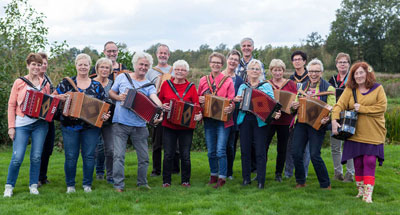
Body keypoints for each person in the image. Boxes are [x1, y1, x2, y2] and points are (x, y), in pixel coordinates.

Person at [53, 53, 110, 193]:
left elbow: (104, 105)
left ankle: (87, 185)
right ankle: (70, 186)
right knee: (71, 156)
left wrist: (105, 115)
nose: (83, 67)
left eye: (86, 65)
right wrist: (60, 97)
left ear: (89, 66)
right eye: (80, 64)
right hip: (69, 126)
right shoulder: (66, 83)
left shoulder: (97, 86)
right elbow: (53, 97)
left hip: (90, 127)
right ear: (76, 66)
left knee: (89, 155)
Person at [332, 62, 386, 203]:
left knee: (369, 161)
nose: (359, 76)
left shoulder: (378, 88)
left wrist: (362, 108)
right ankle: (360, 191)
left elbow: (382, 107)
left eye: (361, 72)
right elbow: (339, 105)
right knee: (358, 162)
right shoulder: (350, 89)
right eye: (356, 73)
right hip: (354, 132)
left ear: (367, 73)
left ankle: (368, 195)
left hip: (374, 132)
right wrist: (334, 119)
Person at [109, 52, 163, 192]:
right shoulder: (122, 77)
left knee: (144, 157)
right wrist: (119, 97)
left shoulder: (148, 84)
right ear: (135, 65)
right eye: (141, 64)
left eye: (146, 65)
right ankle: (118, 185)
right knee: (118, 156)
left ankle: (142, 183)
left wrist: (160, 108)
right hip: (120, 123)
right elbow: (111, 93)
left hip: (139, 125)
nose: (143, 67)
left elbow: (154, 97)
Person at [4, 53, 51, 197]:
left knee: (36, 156)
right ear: (28, 65)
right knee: (17, 157)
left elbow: (47, 104)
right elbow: (11, 104)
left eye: (39, 64)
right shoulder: (19, 82)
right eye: (33, 64)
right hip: (21, 124)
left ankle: (33, 185)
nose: (36, 67)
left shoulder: (45, 84)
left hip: (40, 125)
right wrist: (11, 127)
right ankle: (9, 186)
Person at [235, 59, 281, 189]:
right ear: (247, 72)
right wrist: (236, 100)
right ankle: (246, 179)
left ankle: (261, 180)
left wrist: (274, 112)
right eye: (252, 69)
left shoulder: (265, 86)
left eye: (257, 69)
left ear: (260, 72)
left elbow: (271, 103)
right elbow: (238, 104)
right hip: (245, 120)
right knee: (245, 150)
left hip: (260, 121)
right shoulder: (243, 87)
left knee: (260, 151)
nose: (254, 71)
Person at [291, 58, 334, 189]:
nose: (313, 74)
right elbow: (296, 103)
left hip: (317, 124)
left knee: (315, 154)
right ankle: (300, 181)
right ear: (308, 72)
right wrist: (294, 105)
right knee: (296, 153)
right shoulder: (303, 86)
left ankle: (325, 184)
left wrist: (328, 117)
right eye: (311, 71)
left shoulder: (328, 87)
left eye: (316, 71)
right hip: (302, 123)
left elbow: (333, 107)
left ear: (321, 72)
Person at [158, 60, 202, 187]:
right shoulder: (166, 84)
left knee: (185, 155)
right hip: (169, 124)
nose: (180, 72)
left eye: (182, 70)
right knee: (168, 154)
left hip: (186, 127)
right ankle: (166, 181)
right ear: (173, 71)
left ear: (187, 72)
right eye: (177, 69)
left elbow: (197, 105)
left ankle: (185, 180)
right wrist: (163, 107)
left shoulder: (191, 87)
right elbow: (160, 102)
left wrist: (199, 115)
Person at [198, 52, 235, 188]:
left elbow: (232, 100)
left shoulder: (228, 80)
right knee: (211, 151)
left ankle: (222, 177)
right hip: (209, 119)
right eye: (213, 62)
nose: (216, 65)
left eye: (218, 63)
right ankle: (213, 175)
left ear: (222, 65)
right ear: (210, 64)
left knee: (220, 150)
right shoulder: (203, 80)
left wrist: (230, 107)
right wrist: (200, 100)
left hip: (223, 120)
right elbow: (198, 98)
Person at [145, 44, 179, 177]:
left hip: (172, 108)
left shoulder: (174, 70)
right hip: (156, 108)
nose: (163, 55)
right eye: (161, 53)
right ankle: (156, 169)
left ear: (169, 55)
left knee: (174, 140)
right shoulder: (150, 71)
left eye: (165, 53)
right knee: (157, 140)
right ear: (156, 54)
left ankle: (175, 168)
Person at [265, 59, 297, 182]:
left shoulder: (291, 84)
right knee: (264, 146)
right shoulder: (267, 84)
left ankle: (278, 173)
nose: (277, 73)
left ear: (283, 71)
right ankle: (260, 170)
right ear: (271, 71)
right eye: (275, 70)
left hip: (285, 120)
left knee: (282, 148)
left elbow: (295, 100)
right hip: (270, 120)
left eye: (280, 70)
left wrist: (291, 106)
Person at [284, 50, 311, 179]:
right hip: (292, 116)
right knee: (290, 145)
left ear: (304, 61)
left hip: (307, 115)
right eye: (294, 60)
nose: (297, 62)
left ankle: (303, 173)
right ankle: (288, 172)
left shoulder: (310, 77)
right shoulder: (290, 79)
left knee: (305, 147)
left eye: (299, 59)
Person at [328, 52, 355, 182]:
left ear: (349, 64)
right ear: (336, 64)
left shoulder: (354, 78)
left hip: (350, 115)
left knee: (349, 145)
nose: (342, 64)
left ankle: (350, 174)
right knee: (335, 146)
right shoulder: (332, 80)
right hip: (335, 115)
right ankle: (338, 173)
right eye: (340, 62)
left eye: (345, 62)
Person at [222, 50, 244, 180]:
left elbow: (240, 98)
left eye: (236, 60)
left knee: (230, 145)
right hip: (219, 115)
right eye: (231, 58)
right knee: (219, 145)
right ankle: (218, 171)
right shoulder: (219, 76)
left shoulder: (240, 80)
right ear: (227, 59)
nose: (233, 61)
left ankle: (228, 172)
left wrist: (236, 100)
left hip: (233, 117)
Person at [92, 57, 115, 183]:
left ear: (110, 70)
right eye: (102, 67)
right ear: (97, 69)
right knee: (96, 148)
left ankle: (110, 175)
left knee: (110, 148)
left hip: (109, 121)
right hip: (94, 119)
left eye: (107, 67)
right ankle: (99, 171)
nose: (104, 70)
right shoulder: (91, 83)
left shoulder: (113, 84)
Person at [37, 52, 56, 187]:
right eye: (40, 63)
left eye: (45, 63)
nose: (43, 65)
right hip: (37, 120)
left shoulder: (48, 80)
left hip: (49, 118)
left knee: (48, 149)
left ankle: (43, 176)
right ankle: (36, 178)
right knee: (39, 149)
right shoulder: (33, 80)